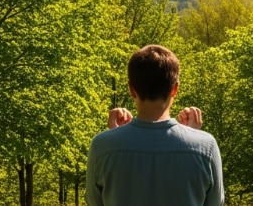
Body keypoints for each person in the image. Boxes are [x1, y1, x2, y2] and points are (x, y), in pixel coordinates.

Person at [85, 45, 224, 206]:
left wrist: (114, 138)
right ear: (174, 89)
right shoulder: (206, 147)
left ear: (132, 89)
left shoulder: (101, 146)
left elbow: (94, 202)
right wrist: (193, 138)